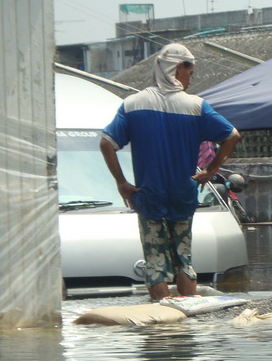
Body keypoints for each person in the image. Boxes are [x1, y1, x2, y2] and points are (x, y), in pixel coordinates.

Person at [100, 43, 241, 300]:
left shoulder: (132, 105)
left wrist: (121, 182)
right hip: (183, 193)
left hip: (148, 195)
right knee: (183, 258)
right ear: (178, 68)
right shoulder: (197, 106)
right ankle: (187, 320)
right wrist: (210, 170)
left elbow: (106, 143)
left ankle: (161, 329)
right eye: (190, 72)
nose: (190, 79)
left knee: (155, 262)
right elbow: (232, 136)